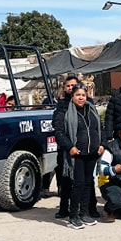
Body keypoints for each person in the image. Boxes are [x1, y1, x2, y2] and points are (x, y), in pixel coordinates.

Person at [53, 84, 104, 230]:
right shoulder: (66, 112)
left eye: (83, 95)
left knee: (88, 184)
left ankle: (84, 213)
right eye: (77, 95)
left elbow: (100, 128)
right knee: (78, 184)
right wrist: (70, 147)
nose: (81, 98)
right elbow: (60, 133)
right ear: (72, 97)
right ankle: (73, 216)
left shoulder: (92, 109)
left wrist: (102, 144)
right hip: (77, 155)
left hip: (92, 153)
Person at [53, 74, 80, 220]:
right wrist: (68, 146)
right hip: (65, 149)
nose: (70, 88)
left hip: (82, 147)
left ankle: (87, 208)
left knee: (84, 179)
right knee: (65, 179)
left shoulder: (85, 102)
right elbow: (58, 128)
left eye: (73, 85)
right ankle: (64, 208)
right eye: (68, 86)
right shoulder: (61, 105)